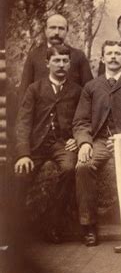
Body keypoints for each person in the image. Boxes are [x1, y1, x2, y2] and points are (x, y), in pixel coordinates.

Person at [73, 41, 121, 247]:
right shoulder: (91, 87)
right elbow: (81, 121)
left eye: (118, 54)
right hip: (99, 141)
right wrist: (85, 143)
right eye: (109, 54)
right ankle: (89, 226)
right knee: (83, 166)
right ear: (103, 59)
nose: (113, 57)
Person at [14, 45, 82, 243]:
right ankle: (14, 227)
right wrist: (23, 153)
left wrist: (76, 138)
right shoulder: (34, 89)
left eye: (65, 61)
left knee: (69, 169)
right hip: (37, 144)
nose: (61, 65)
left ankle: (53, 223)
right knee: (20, 173)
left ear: (69, 64)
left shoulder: (77, 90)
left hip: (62, 143)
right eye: (56, 61)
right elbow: (24, 122)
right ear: (47, 63)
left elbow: (83, 118)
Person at [19, 13, 92, 98]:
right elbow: (24, 90)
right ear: (45, 30)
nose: (56, 32)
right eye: (52, 28)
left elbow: (89, 90)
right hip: (41, 109)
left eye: (61, 28)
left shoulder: (78, 56)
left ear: (66, 31)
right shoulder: (34, 56)